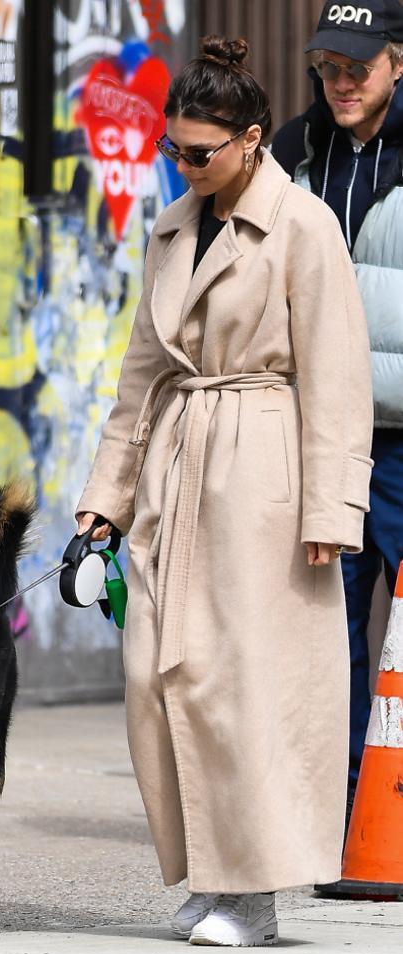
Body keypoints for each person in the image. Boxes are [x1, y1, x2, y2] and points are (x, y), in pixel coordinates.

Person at [75, 35, 373, 947]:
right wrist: (102, 507)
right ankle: (209, 872)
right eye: (175, 151)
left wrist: (330, 506)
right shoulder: (172, 225)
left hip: (262, 467)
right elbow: (139, 380)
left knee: (246, 683)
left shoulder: (305, 225)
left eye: (201, 152)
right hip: (175, 461)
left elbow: (337, 373)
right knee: (155, 674)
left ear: (252, 139)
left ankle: (254, 891)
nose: (185, 166)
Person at [272, 0, 403, 839]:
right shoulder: (292, 150)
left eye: (358, 66)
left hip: (400, 427)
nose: (341, 82)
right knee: (327, 627)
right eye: (328, 66)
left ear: (398, 62)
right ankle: (344, 810)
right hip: (320, 429)